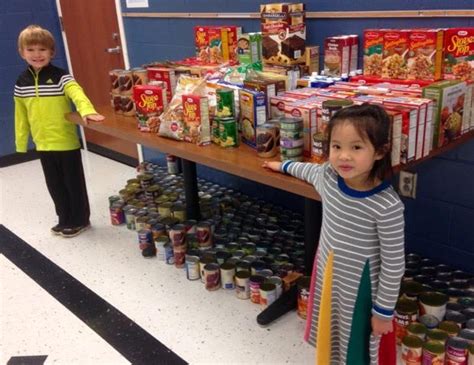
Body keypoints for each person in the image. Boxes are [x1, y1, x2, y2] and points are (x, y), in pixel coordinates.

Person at [264, 104, 405, 364]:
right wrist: (281, 165)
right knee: (332, 341)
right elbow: (308, 170)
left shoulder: (387, 207)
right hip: (331, 277)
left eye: (356, 147)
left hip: (362, 290)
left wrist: (383, 312)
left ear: (380, 152)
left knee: (358, 347)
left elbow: (394, 265)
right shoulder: (329, 177)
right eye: (336, 146)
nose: (344, 156)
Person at [14, 25, 104, 238]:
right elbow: (20, 115)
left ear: (51, 52)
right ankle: (64, 218)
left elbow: (77, 94)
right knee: (55, 185)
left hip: (65, 142)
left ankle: (80, 220)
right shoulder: (21, 82)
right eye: (31, 50)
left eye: (42, 50)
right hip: (43, 144)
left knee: (73, 183)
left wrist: (88, 111)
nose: (37, 54)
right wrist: (21, 142)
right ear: (22, 52)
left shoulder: (61, 77)